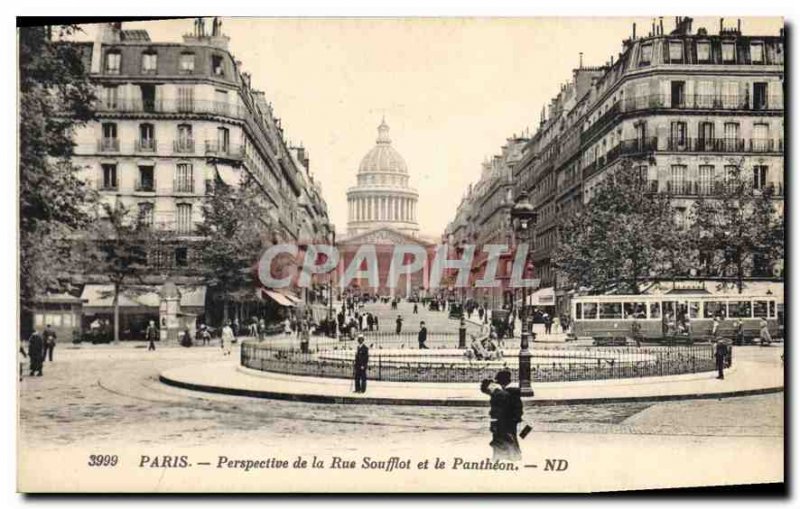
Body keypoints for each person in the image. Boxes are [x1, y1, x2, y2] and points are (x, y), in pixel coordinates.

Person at [480, 375, 522, 461]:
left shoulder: (498, 394)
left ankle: (501, 459)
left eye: (488, 392)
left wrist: (493, 425)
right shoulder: (505, 393)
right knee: (510, 439)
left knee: (501, 441)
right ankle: (514, 457)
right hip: (511, 421)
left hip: (502, 423)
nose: (489, 394)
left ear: (489, 387)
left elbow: (496, 413)